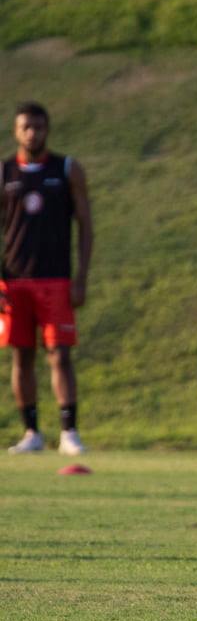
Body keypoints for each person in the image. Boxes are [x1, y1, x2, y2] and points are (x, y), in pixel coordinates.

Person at [2, 102, 94, 456]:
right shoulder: (5, 172)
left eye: (38, 127)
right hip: (13, 282)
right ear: (16, 131)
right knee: (21, 357)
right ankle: (31, 432)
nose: (32, 133)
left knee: (60, 355)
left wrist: (81, 277)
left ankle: (69, 431)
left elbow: (85, 225)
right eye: (25, 127)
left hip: (55, 280)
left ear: (47, 130)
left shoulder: (67, 170)